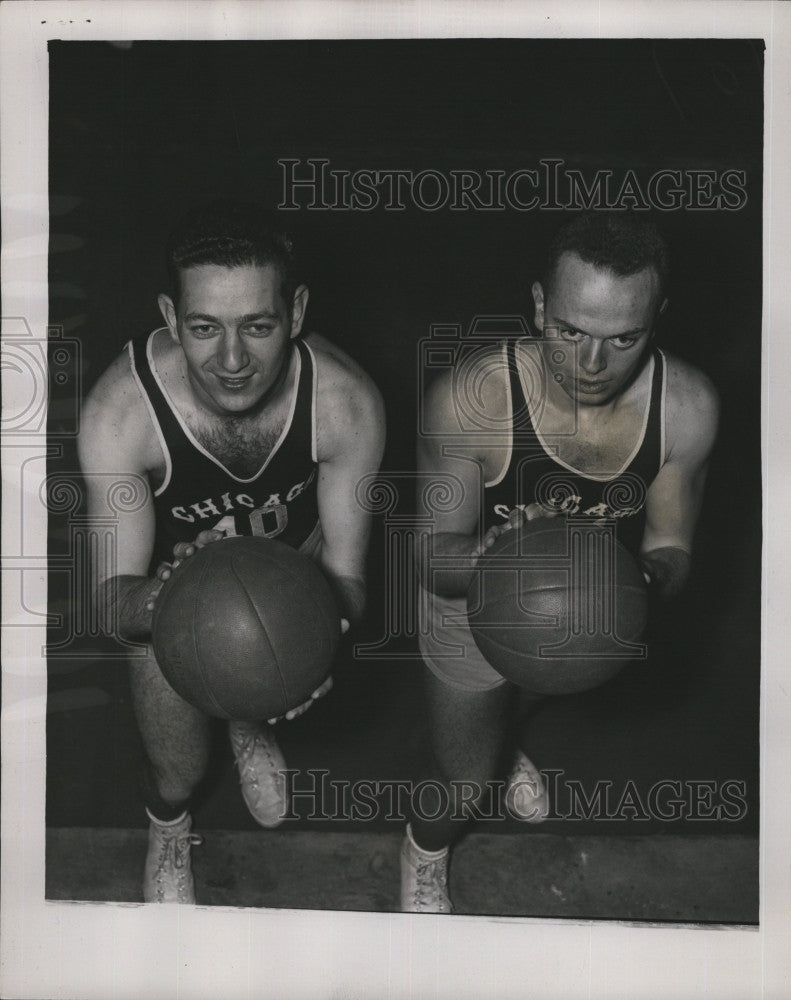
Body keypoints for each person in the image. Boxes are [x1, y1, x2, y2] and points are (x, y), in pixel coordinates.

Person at [401, 211, 719, 913]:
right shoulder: (467, 402)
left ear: (657, 317)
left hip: (588, 607)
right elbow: (431, 558)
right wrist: (497, 560)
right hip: (467, 600)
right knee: (462, 783)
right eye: (569, 331)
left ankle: (503, 734)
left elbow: (672, 548)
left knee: (524, 698)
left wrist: (631, 579)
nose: (591, 366)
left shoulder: (687, 409)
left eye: (622, 338)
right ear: (539, 304)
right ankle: (424, 849)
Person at [78, 201, 385, 903]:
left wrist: (311, 640)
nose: (233, 360)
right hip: (169, 594)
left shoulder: (346, 404)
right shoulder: (120, 417)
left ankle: (247, 723)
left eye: (258, 325)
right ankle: (168, 826)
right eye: (204, 328)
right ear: (169, 314)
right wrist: (174, 596)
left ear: (297, 310)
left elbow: (348, 576)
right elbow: (111, 599)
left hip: (291, 577)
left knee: (262, 662)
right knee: (177, 770)